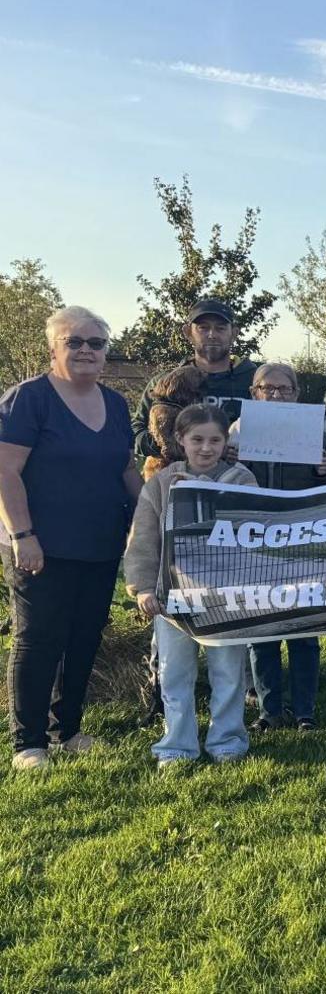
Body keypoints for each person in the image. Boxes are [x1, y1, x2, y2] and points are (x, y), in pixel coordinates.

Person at [0, 307, 140, 771]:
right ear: (53, 348)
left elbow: (125, 469)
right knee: (38, 639)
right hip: (39, 545)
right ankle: (29, 742)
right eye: (73, 341)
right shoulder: (28, 399)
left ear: (105, 351)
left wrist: (151, 513)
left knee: (84, 637)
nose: (85, 350)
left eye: (95, 343)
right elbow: (5, 471)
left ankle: (69, 731)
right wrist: (23, 534)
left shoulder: (115, 404)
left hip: (100, 544)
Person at [123, 404, 257, 767]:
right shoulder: (161, 483)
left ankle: (227, 741)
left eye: (215, 440)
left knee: (228, 672)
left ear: (225, 442)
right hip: (172, 598)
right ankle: (177, 745)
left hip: (225, 596)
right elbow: (143, 539)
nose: (206, 448)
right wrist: (143, 587)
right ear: (181, 439)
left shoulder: (242, 480)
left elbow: (254, 530)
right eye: (197, 439)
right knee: (174, 672)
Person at [233, 363, 326, 731]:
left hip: (303, 545)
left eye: (284, 389)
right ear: (254, 393)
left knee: (303, 630)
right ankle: (268, 712)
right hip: (253, 545)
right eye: (267, 388)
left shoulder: (318, 433)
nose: (276, 395)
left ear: (297, 394)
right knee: (261, 632)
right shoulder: (234, 434)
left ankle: (304, 712)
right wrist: (226, 461)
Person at [131, 299, 258, 472]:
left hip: (240, 483)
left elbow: (277, 434)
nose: (212, 334)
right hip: (178, 483)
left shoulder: (257, 383)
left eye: (220, 328)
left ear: (234, 333)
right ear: (188, 332)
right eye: (203, 328)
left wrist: (247, 451)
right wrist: (175, 446)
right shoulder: (165, 384)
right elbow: (135, 432)